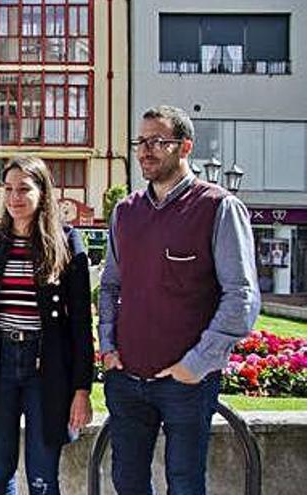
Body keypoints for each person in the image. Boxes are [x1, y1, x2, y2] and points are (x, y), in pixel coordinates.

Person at [99, 105, 261, 495]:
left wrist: (197, 364)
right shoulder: (125, 212)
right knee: (126, 482)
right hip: (127, 379)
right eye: (141, 142)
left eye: (158, 142)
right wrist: (108, 347)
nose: (145, 151)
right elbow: (110, 287)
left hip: (187, 384)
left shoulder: (219, 207)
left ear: (185, 147)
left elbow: (242, 296)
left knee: (186, 485)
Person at [0, 156, 93, 495]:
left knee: (43, 477)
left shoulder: (68, 242)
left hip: (48, 369)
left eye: (24, 189)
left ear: (43, 192)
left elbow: (81, 325)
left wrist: (81, 389)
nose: (15, 197)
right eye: (9, 189)